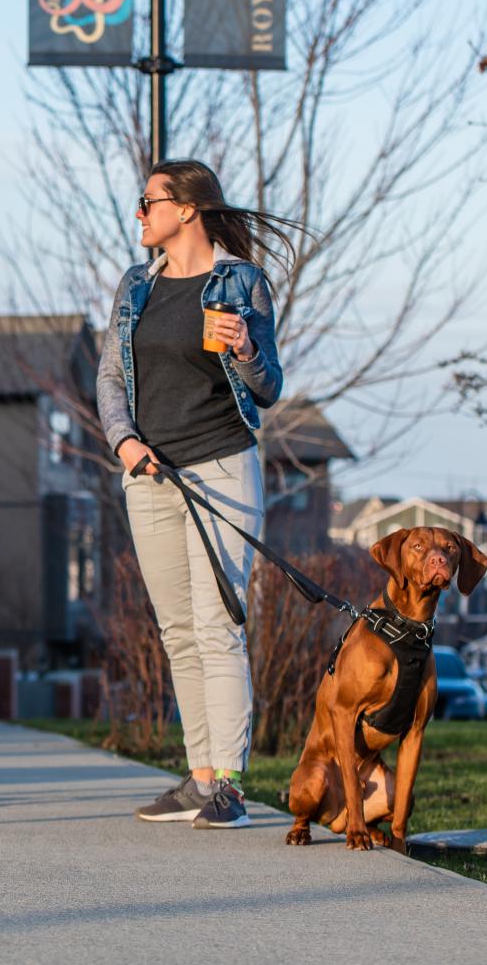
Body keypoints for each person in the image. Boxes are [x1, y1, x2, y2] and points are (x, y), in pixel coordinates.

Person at [96, 159, 290, 830]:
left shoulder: (241, 281)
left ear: (186, 209)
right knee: (179, 631)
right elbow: (110, 381)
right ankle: (198, 776)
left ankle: (230, 785)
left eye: (148, 201)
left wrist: (242, 350)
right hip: (150, 475)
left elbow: (268, 387)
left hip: (221, 469)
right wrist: (125, 442)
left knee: (220, 627)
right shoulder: (135, 287)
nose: (139, 213)